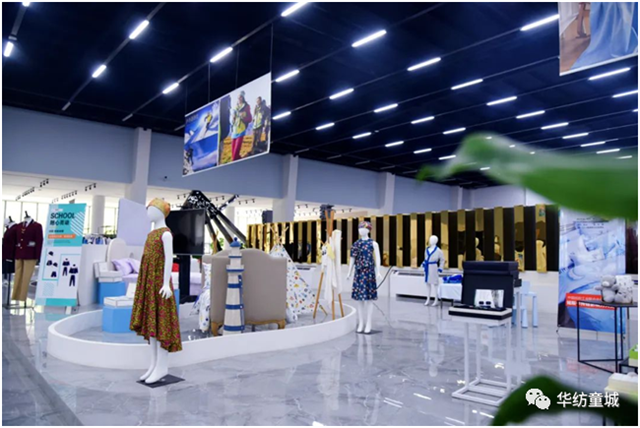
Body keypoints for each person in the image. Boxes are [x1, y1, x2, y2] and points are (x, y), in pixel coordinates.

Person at [230, 91, 252, 161]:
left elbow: (250, 118)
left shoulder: (246, 106)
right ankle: (243, 160)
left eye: (241, 97)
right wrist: (232, 119)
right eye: (238, 97)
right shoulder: (235, 107)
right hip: (234, 130)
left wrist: (243, 116)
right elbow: (231, 120)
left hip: (241, 130)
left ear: (243, 98)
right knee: (233, 155)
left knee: (235, 156)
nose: (239, 98)